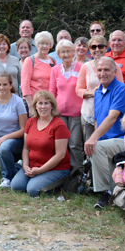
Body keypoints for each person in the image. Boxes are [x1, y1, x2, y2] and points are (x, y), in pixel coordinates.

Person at [83, 57, 125, 208]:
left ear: (114, 71)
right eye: (99, 70)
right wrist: (95, 137)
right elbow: (98, 120)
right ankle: (110, 189)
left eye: (106, 70)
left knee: (96, 146)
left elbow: (112, 117)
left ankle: (105, 191)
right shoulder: (98, 92)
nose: (102, 73)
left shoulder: (121, 89)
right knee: (96, 145)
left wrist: (94, 139)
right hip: (108, 142)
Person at [11, 90, 71, 196]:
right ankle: (36, 179)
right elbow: (25, 148)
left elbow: (60, 155)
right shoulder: (31, 121)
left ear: (52, 106)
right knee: (16, 186)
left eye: (46, 103)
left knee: (32, 190)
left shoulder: (59, 125)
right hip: (33, 165)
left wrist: (40, 170)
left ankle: (60, 182)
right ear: (35, 106)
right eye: (40, 103)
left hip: (56, 168)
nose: (43, 107)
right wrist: (25, 165)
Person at [76, 36, 124, 148]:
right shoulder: (85, 67)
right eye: (93, 47)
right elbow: (78, 90)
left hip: (108, 114)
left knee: (107, 147)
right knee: (90, 147)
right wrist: (96, 93)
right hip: (89, 113)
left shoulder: (114, 66)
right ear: (90, 50)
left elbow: (120, 88)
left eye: (100, 46)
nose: (97, 49)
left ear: (106, 47)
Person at [0, 72, 28, 188]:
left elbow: (24, 129)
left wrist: (4, 138)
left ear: (10, 85)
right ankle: (17, 167)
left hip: (15, 140)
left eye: (5, 84)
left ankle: (7, 178)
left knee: (4, 149)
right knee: (3, 151)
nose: (1, 87)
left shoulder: (18, 102)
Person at [49, 40, 83, 171]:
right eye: (63, 52)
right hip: (60, 114)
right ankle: (62, 170)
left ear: (73, 52)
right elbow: (52, 91)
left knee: (75, 144)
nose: (66, 54)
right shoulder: (55, 70)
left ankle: (77, 173)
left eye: (68, 51)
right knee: (61, 144)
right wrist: (52, 110)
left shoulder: (81, 67)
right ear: (58, 54)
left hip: (76, 113)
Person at [21, 31, 56, 115]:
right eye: (42, 43)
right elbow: (25, 84)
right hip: (34, 103)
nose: (44, 46)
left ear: (50, 45)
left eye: (47, 43)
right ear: (37, 45)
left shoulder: (53, 61)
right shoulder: (30, 60)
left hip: (48, 104)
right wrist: (30, 106)